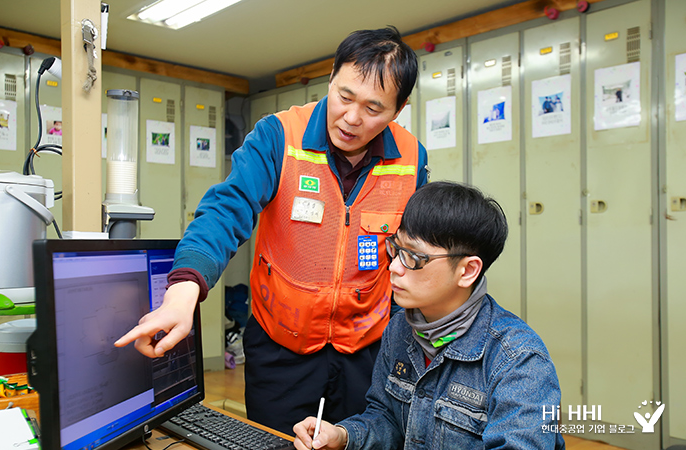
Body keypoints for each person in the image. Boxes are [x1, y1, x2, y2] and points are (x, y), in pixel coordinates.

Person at [115, 26, 428, 434]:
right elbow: (226, 210)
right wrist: (182, 292)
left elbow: (417, 250)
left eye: (373, 108)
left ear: (398, 110)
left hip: (367, 349)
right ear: (330, 80)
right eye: (344, 96)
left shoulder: (410, 158)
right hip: (281, 345)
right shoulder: (279, 136)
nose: (351, 118)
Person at [293, 181, 565, 449]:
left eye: (413, 257)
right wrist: (343, 436)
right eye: (396, 250)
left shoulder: (518, 361)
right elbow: (387, 418)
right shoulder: (400, 327)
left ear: (468, 271)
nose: (395, 267)